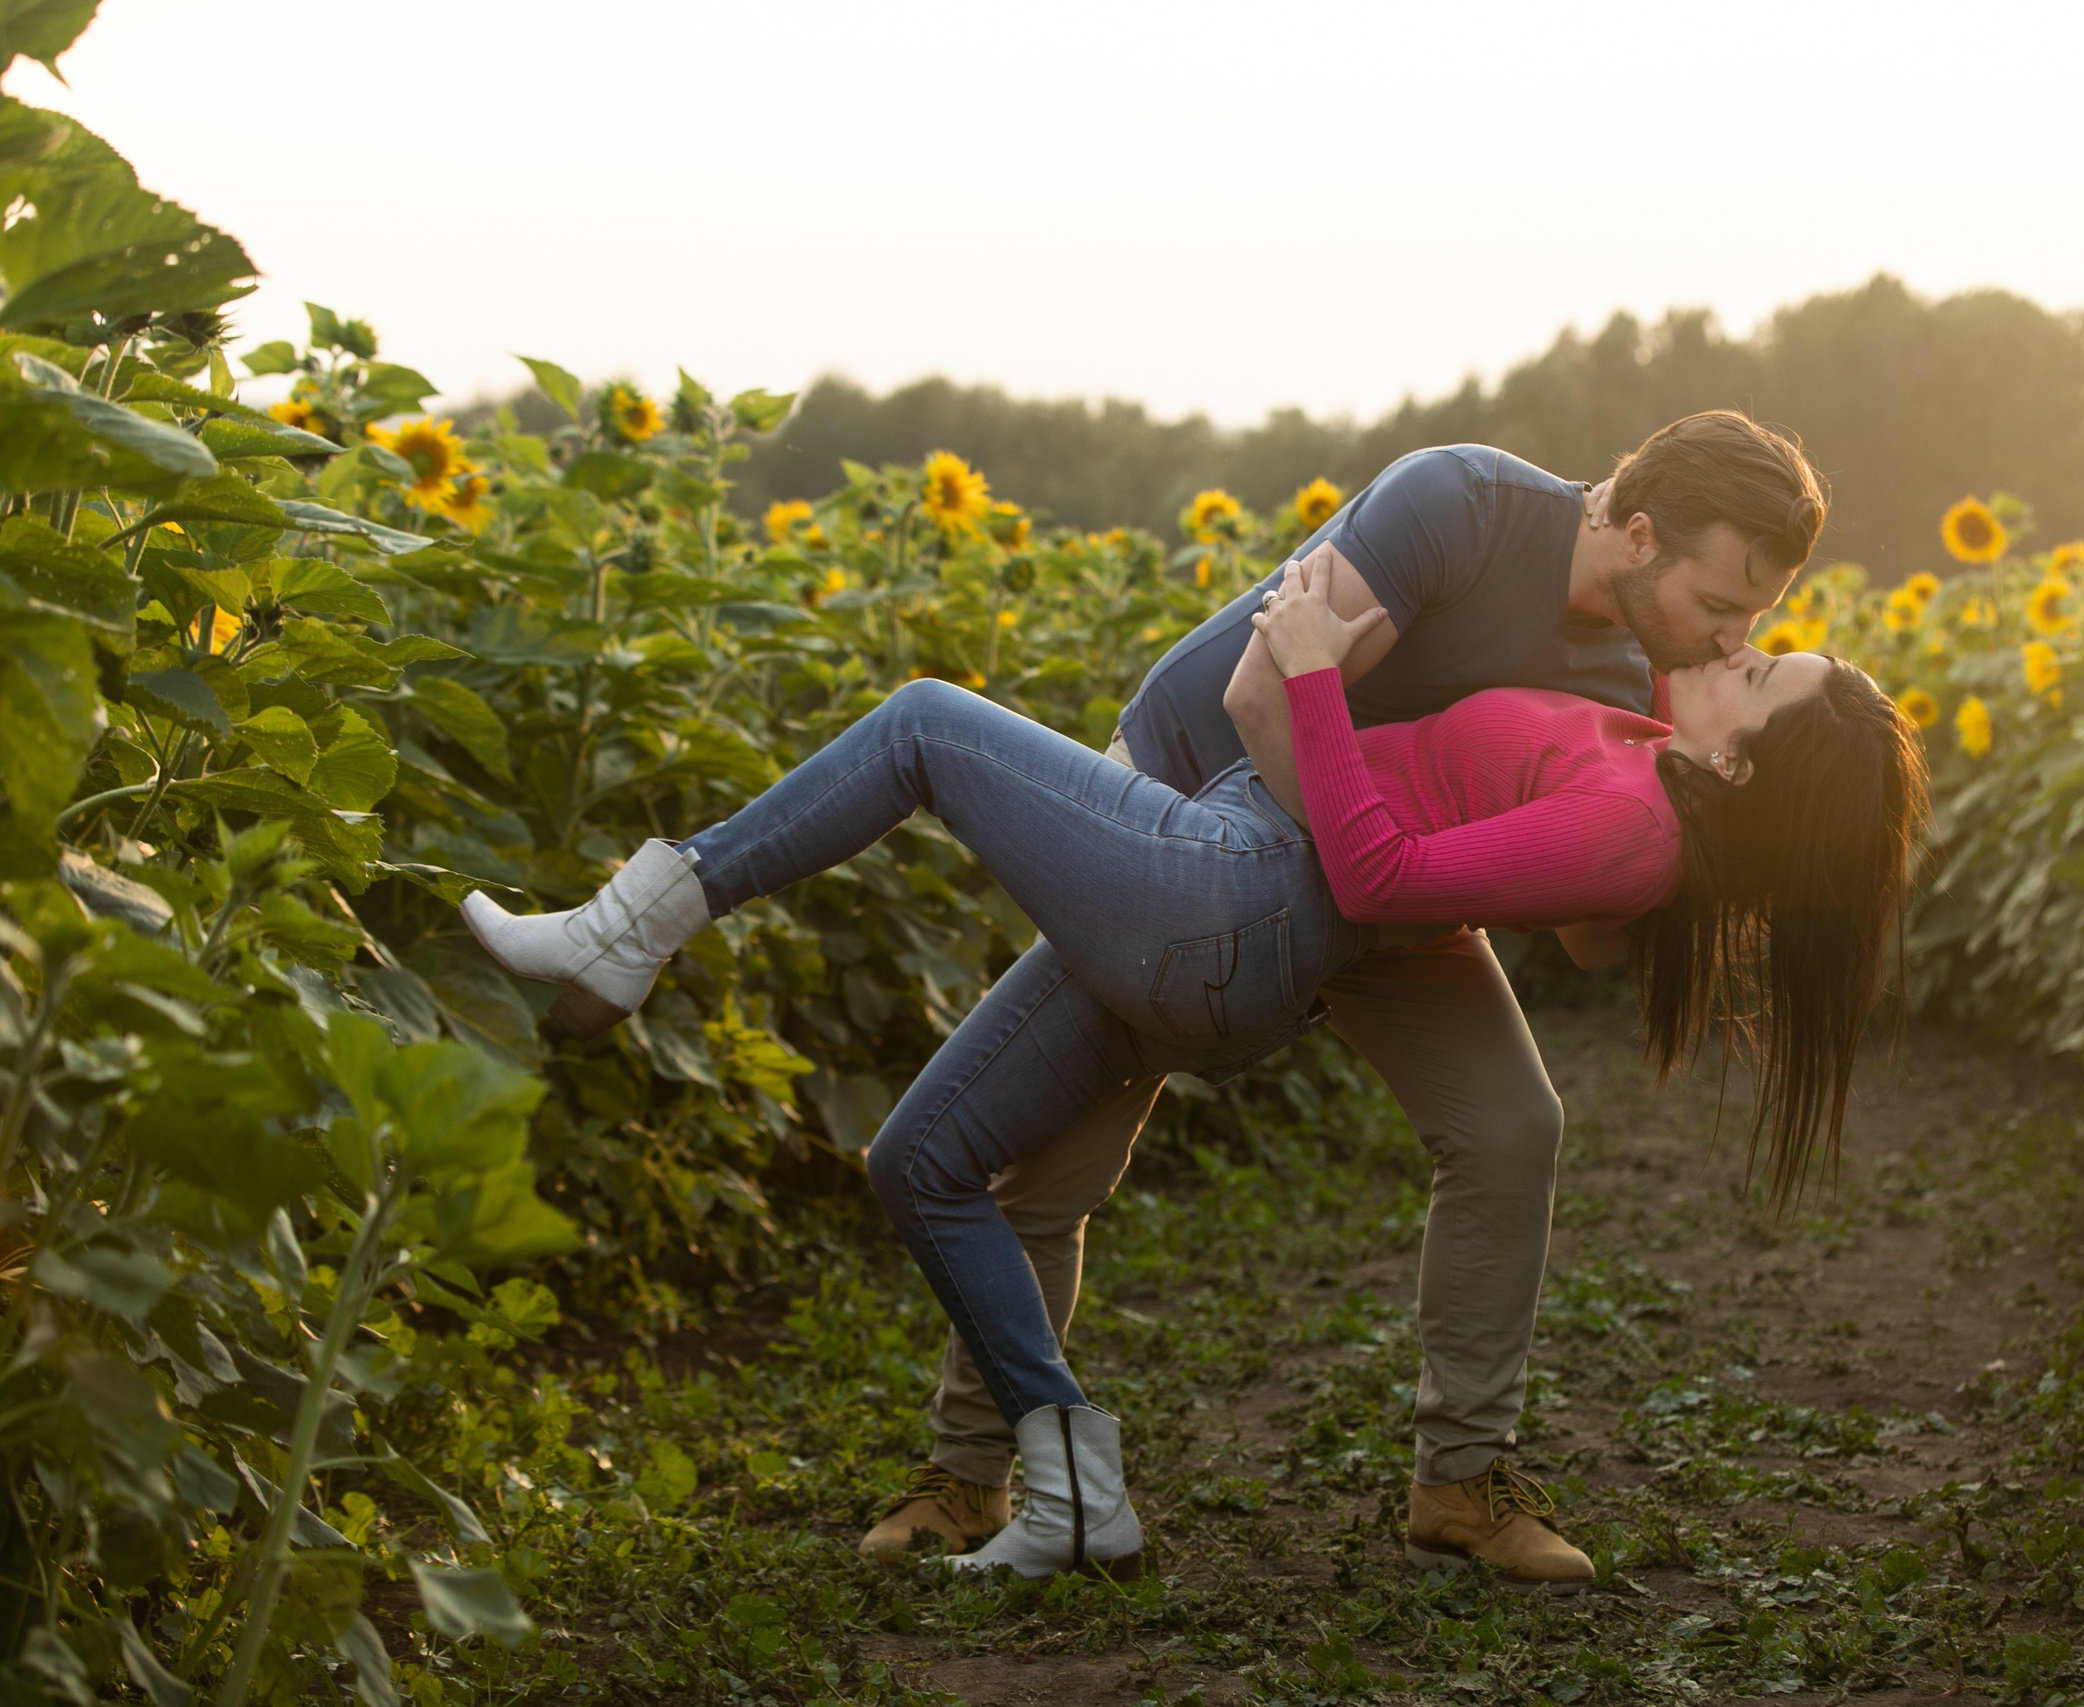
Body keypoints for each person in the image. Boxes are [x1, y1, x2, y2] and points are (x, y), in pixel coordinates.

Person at [461, 550, 1927, 1583]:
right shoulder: (1535, 592)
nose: (1736, 640)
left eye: (1756, 660)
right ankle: (1041, 1462)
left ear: (1743, 771)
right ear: (1649, 532)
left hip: (1245, 888)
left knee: (917, 719)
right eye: (1745, 619)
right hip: (1243, 879)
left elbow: (1384, 865)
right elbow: (1581, 899)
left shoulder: (1642, 795)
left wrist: (1304, 676)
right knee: (922, 1160)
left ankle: (635, 917)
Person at [866, 413, 1838, 1590]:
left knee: (1512, 1127)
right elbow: (1256, 694)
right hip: (1201, 811)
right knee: (1054, 1168)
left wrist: (1724, 865)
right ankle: (968, 1468)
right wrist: (1329, 893)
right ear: (1640, 537)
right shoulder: (1459, 505)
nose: (1730, 638)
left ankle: (1461, 1480)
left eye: (1754, 625)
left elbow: (1585, 928)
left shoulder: (1647, 672)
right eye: (1722, 603)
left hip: (1384, 876)